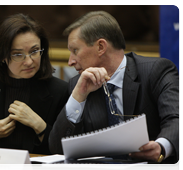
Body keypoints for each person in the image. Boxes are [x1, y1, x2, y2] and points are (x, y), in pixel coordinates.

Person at [49, 11, 180, 167]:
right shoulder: (79, 84)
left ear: (100, 47)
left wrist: (161, 147)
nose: (70, 61)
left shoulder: (155, 71)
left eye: (75, 51)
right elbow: (57, 149)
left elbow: (177, 119)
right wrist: (78, 96)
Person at [0, 13, 69, 155]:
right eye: (18, 54)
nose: (29, 61)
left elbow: (65, 148)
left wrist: (40, 126)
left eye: (34, 51)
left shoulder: (59, 90)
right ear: (2, 56)